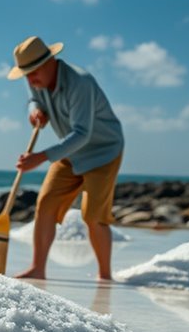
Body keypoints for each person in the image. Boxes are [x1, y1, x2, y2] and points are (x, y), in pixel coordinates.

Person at [8, 35, 124, 280]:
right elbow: (34, 98)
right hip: (69, 152)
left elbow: (82, 134)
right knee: (46, 203)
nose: (30, 79)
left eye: (33, 72)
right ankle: (38, 268)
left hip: (102, 151)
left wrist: (40, 157)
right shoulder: (36, 78)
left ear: (51, 61)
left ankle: (105, 276)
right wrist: (35, 110)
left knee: (93, 215)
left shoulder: (80, 83)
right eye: (25, 74)